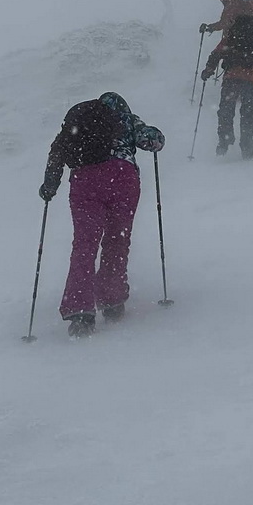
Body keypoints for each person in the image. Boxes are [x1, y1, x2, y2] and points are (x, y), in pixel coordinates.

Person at [38, 92, 166, 336]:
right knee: (117, 240)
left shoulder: (80, 124)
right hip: (123, 179)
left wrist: (49, 186)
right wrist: (156, 137)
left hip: (85, 180)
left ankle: (80, 311)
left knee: (85, 244)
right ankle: (112, 300)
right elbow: (153, 140)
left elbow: (58, 151)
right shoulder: (126, 118)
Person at [202, 14, 253, 158]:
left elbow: (215, 55)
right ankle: (247, 145)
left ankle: (225, 140)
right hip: (251, 80)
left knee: (226, 109)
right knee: (247, 112)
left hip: (231, 79)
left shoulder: (229, 40)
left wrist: (208, 71)